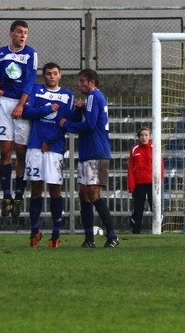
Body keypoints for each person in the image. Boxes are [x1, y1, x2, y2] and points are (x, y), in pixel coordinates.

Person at [59, 68, 118, 248]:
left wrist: (67, 125)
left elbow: (91, 124)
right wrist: (80, 109)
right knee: (84, 194)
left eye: (82, 81)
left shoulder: (93, 96)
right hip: (87, 152)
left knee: (92, 193)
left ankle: (112, 236)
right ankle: (89, 239)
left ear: (92, 83)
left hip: (97, 151)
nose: (79, 85)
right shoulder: (90, 100)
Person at [21, 62, 75, 248]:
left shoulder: (67, 96)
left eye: (55, 73)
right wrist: (46, 109)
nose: (51, 76)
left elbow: (64, 121)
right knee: (36, 187)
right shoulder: (36, 90)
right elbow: (26, 112)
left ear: (60, 75)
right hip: (35, 145)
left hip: (54, 148)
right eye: (48, 74)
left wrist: (50, 141)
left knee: (54, 189)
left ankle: (56, 234)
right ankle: (35, 231)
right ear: (43, 76)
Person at [0, 20, 38, 219]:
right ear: (11, 33)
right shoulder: (0, 53)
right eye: (19, 32)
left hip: (22, 103)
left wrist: (21, 105)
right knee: (5, 149)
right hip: (4, 102)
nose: (23, 35)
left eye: (25, 32)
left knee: (21, 151)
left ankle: (18, 196)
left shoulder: (31, 54)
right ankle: (6, 196)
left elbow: (30, 80)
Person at [128, 127, 164, 234]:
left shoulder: (155, 148)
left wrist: (159, 181)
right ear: (139, 137)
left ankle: (158, 230)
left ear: (150, 136)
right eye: (142, 135)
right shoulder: (135, 150)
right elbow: (131, 168)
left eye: (146, 135)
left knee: (156, 207)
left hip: (152, 183)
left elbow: (160, 166)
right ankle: (136, 232)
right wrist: (131, 185)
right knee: (138, 209)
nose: (144, 137)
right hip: (139, 184)